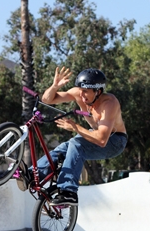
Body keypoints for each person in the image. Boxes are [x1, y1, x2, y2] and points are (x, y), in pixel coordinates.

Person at [29, 66, 128, 205]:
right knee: (64, 147)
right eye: (80, 91)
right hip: (95, 134)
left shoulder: (109, 104)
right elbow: (47, 100)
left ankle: (68, 191)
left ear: (98, 91)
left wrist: (75, 127)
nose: (81, 95)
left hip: (115, 141)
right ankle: (34, 175)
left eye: (86, 92)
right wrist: (54, 86)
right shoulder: (78, 93)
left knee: (76, 144)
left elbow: (101, 140)